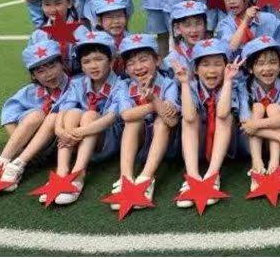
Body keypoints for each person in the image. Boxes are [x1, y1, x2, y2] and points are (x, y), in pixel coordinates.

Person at [52, 31, 128, 204]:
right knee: (73, 112)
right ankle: (62, 172)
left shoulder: (120, 85)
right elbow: (64, 109)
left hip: (105, 141)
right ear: (81, 65)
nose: (93, 66)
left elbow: (110, 118)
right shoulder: (77, 83)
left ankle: (79, 173)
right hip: (75, 140)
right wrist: (60, 130)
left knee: (90, 114)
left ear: (111, 61)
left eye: (99, 59)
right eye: (86, 61)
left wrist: (78, 132)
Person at [0, 39, 71, 189]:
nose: (49, 74)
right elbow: (8, 114)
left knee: (54, 117)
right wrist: (19, 145)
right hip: (26, 145)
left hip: (58, 145)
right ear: (33, 76)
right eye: (40, 71)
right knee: (36, 115)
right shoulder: (30, 91)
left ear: (62, 64)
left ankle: (17, 164)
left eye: (52, 66)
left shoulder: (76, 87)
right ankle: (1, 163)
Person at [112, 33, 180, 205]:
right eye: (131, 63)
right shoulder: (123, 85)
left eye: (143, 60)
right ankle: (126, 177)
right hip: (138, 143)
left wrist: (154, 98)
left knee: (161, 121)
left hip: (167, 145)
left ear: (157, 60)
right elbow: (126, 115)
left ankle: (146, 178)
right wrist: (153, 105)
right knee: (133, 121)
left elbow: (171, 121)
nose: (138, 67)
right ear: (125, 69)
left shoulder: (168, 83)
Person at [174, 38, 236, 207]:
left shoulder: (233, 83)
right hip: (197, 144)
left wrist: (228, 81)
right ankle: (192, 176)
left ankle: (212, 176)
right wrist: (184, 83)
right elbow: (188, 117)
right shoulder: (191, 85)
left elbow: (222, 113)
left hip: (228, 146)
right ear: (195, 69)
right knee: (189, 120)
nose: (212, 70)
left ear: (226, 67)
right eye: (205, 64)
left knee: (225, 117)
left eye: (218, 64)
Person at [236, 36, 280, 187]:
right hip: (253, 140)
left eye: (273, 62)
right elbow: (245, 123)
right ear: (250, 68)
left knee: (274, 108)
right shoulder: (243, 88)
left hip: (278, 143)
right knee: (257, 107)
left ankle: (274, 166)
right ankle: (257, 164)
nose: (268, 68)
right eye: (261, 63)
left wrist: (256, 124)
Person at [163, 0, 209, 74]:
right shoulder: (171, 61)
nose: (194, 30)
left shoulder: (213, 53)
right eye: (187, 25)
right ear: (177, 28)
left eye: (198, 23)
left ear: (205, 25)